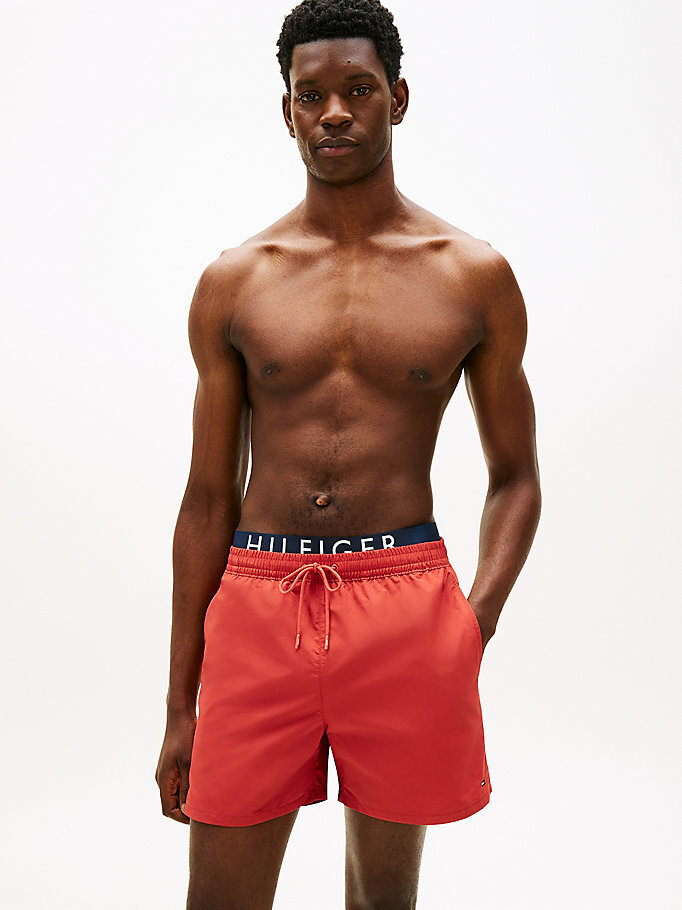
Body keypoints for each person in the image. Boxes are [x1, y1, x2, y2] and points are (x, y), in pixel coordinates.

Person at [155, 0, 542, 906]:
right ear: (287, 110)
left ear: (397, 99)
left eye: (358, 90)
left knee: (382, 899)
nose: (334, 112)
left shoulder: (470, 275)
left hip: (405, 602)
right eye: (311, 95)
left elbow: (517, 476)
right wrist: (179, 704)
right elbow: (207, 498)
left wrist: (473, 621)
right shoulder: (236, 281)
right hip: (259, 602)